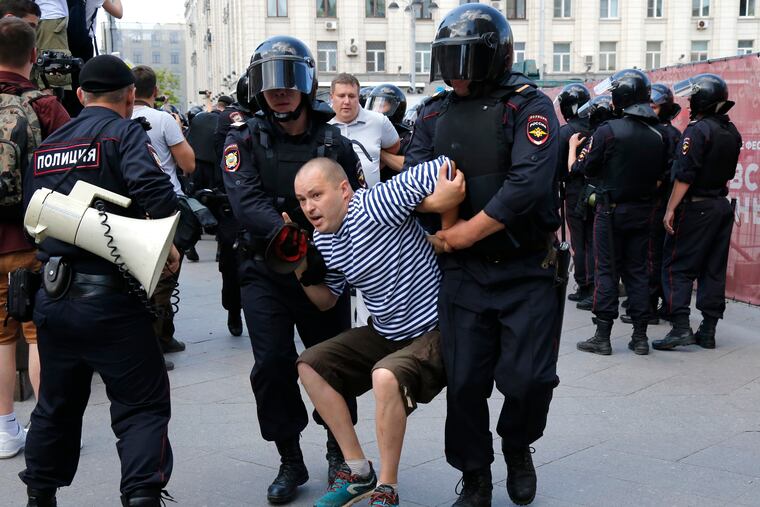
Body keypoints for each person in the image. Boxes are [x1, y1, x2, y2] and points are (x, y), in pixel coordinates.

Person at [406, 4, 563, 505]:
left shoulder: (529, 105)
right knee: (466, 383)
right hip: (463, 274)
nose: (457, 72)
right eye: (449, 60)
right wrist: (446, 224)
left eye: (467, 59)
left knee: (530, 379)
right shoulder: (431, 113)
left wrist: (465, 230)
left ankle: (518, 445)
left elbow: (527, 184)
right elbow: (414, 183)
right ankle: (475, 474)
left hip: (526, 268)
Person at [19, 54, 179, 507]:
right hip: (110, 300)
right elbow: (154, 190)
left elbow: (32, 215)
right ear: (130, 96)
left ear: (81, 95)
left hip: (53, 298)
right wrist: (168, 237)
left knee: (55, 406)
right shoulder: (124, 132)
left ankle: (39, 497)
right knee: (141, 405)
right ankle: (142, 497)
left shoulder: (50, 144)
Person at [222, 35, 365, 505]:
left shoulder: (334, 140)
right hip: (265, 270)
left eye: (289, 81)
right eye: (269, 83)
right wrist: (290, 238)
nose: (279, 92)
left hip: (325, 271)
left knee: (332, 364)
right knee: (271, 366)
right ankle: (289, 457)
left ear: (306, 84)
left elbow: (355, 199)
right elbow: (246, 201)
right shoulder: (243, 136)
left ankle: (337, 451)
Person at [295, 156, 463, 507]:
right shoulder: (324, 238)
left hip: (435, 329)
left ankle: (387, 487)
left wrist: (434, 205)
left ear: (344, 190)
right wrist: (296, 265)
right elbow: (327, 300)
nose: (309, 207)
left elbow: (443, 165)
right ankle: (358, 471)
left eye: (315, 195)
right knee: (310, 364)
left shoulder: (376, 204)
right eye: (301, 200)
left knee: (385, 376)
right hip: (386, 332)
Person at [0, 16, 69, 461]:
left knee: (1, 339)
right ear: (32, 55)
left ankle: (5, 431)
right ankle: (51, 430)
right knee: (40, 334)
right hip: (35, 238)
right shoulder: (45, 105)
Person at [571, 69, 669, 356]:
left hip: (610, 211)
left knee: (606, 271)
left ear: (621, 97)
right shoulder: (659, 135)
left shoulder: (608, 131)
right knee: (638, 271)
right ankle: (640, 337)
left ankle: (603, 336)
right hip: (644, 212)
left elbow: (588, 168)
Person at [652, 73, 741, 351]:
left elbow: (685, 175)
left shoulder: (697, 130)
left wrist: (670, 209)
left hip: (697, 207)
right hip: (720, 207)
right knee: (713, 269)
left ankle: (680, 327)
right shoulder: (731, 130)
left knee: (676, 266)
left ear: (702, 98)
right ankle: (708, 330)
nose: (689, 102)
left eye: (692, 97)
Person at [130, 64, 195, 356]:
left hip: (130, 206)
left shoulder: (119, 118)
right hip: (165, 203)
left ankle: (164, 336)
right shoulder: (163, 120)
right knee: (166, 276)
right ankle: (156, 341)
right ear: (155, 92)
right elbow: (188, 165)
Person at [328, 74, 400, 326]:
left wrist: (376, 162)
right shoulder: (323, 126)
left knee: (370, 279)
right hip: (333, 220)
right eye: (341, 96)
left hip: (371, 216)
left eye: (352, 96)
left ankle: (367, 332)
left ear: (359, 97)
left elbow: (394, 148)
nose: (347, 102)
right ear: (331, 98)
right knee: (334, 279)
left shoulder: (378, 121)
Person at [620, 83, 682, 325]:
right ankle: (644, 302)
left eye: (654, 106)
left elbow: (667, 174)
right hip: (650, 203)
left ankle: (647, 306)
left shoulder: (665, 134)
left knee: (650, 255)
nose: (648, 110)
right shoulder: (656, 131)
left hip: (656, 203)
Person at [211, 74, 254, 336]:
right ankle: (234, 310)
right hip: (232, 198)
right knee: (231, 262)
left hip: (260, 197)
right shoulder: (233, 118)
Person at [555, 83, 593, 306]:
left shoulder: (566, 132)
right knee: (593, 238)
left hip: (574, 191)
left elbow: (558, 168)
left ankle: (585, 284)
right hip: (595, 192)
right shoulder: (599, 127)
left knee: (579, 240)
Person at [365, 83, 413, 181]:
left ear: (396, 107)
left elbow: (410, 165)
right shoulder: (366, 131)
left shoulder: (407, 137)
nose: (376, 110)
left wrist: (380, 152)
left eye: (382, 105)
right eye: (374, 104)